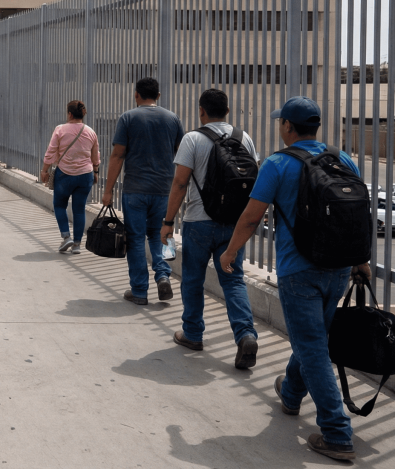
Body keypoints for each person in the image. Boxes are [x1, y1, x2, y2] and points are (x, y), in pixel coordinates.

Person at [219, 96, 370, 462]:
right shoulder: (342, 159)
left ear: (287, 126)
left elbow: (252, 216)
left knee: (314, 347)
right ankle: (289, 394)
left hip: (298, 271)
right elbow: (357, 215)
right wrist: (360, 261)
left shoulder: (277, 163)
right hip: (337, 270)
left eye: (280, 122)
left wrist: (230, 251)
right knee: (312, 339)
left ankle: (336, 432)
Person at [160, 89, 258, 367]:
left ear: (201, 110)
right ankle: (245, 334)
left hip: (199, 223)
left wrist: (168, 222)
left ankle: (192, 333)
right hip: (233, 225)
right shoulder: (244, 138)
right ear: (227, 110)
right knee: (234, 279)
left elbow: (180, 183)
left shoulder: (192, 139)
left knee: (193, 279)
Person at [101, 77, 184, 306]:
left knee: (136, 239)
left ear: (136, 94)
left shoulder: (128, 117)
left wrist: (108, 191)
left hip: (135, 189)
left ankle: (139, 290)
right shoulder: (172, 118)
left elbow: (118, 155)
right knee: (164, 234)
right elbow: (183, 155)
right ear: (158, 96)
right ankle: (163, 275)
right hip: (165, 190)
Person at [40, 100, 101, 254]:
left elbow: (51, 151)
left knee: (60, 205)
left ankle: (66, 237)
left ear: (70, 114)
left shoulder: (60, 129)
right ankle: (77, 245)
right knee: (79, 209)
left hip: (65, 174)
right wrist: (95, 172)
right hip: (85, 175)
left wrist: (44, 171)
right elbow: (95, 155)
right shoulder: (91, 131)